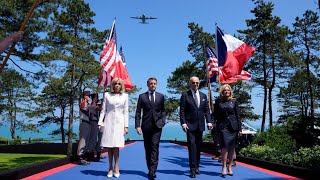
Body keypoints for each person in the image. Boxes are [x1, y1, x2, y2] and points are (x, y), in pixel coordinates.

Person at [179, 76, 213, 178]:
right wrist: (183, 123)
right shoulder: (185, 95)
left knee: (198, 147)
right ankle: (192, 169)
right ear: (190, 84)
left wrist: (209, 122)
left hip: (200, 125)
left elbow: (206, 110)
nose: (195, 84)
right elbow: (182, 111)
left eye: (197, 82)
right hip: (189, 126)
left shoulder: (203, 95)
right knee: (192, 147)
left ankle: (197, 166)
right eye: (193, 82)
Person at [135, 77, 166, 180]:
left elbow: (163, 111)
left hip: (157, 126)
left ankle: (153, 171)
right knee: (148, 148)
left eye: (155, 83)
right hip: (146, 126)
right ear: (147, 85)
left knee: (155, 146)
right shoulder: (142, 97)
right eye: (151, 83)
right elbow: (138, 112)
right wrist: (137, 126)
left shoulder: (161, 96)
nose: (153, 85)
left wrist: (163, 121)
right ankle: (149, 168)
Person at [98, 78, 129, 178]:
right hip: (108, 122)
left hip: (119, 123)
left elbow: (126, 112)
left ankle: (116, 166)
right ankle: (110, 168)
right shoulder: (107, 95)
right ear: (112, 85)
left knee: (116, 146)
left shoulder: (125, 96)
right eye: (115, 84)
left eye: (119, 84)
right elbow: (103, 110)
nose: (117, 85)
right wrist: (100, 122)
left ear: (121, 86)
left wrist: (126, 126)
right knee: (109, 146)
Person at [214, 84, 241, 177]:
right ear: (222, 92)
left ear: (230, 91)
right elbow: (215, 114)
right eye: (225, 90)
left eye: (228, 90)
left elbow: (238, 115)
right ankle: (224, 166)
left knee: (231, 148)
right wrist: (214, 124)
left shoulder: (234, 101)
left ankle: (230, 166)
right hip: (222, 127)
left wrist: (239, 129)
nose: (226, 92)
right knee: (224, 147)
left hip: (233, 127)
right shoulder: (218, 101)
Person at [77, 90, 92, 165]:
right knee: (83, 140)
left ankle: (84, 156)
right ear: (85, 96)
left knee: (86, 140)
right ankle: (80, 157)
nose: (89, 97)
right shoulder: (83, 103)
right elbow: (85, 108)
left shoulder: (87, 103)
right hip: (84, 123)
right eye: (88, 96)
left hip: (88, 123)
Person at [86, 93, 99, 161]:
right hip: (92, 121)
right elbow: (93, 108)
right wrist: (94, 100)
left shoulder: (96, 105)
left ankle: (92, 153)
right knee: (92, 138)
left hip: (96, 121)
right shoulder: (91, 104)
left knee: (94, 139)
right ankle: (89, 154)